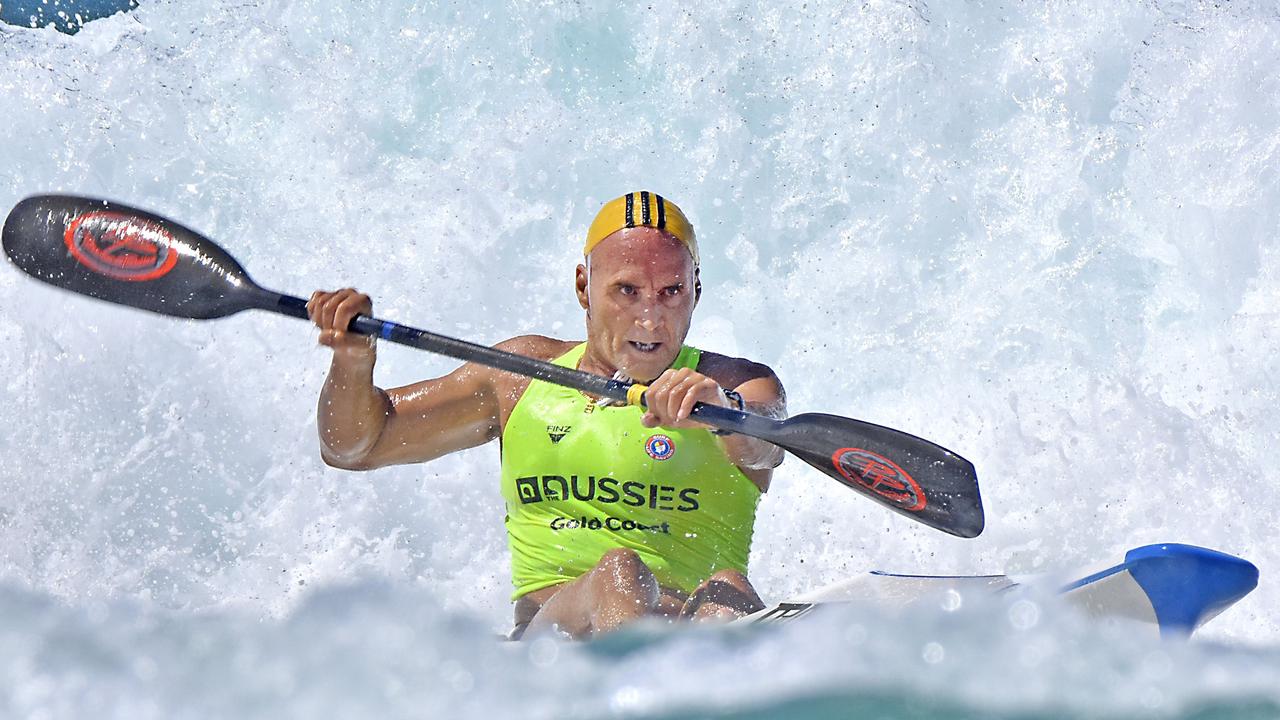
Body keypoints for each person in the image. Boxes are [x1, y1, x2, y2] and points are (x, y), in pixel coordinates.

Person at [307, 191, 786, 639]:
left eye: (671, 292)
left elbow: (767, 444)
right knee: (620, 574)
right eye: (627, 291)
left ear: (696, 293)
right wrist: (352, 362)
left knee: (728, 587)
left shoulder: (739, 387)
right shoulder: (518, 379)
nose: (650, 318)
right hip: (553, 644)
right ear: (584, 287)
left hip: (693, 637)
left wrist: (724, 413)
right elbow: (355, 446)